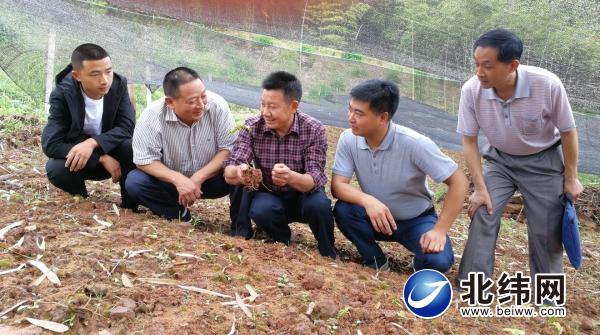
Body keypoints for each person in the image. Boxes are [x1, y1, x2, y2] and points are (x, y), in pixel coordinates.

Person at [457, 29, 583, 282]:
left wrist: (571, 177)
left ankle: (546, 295)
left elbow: (568, 133)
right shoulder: (472, 90)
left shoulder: (546, 84)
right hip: (499, 160)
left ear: (513, 65)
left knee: (546, 229)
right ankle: (473, 283)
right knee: (483, 211)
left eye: (488, 66)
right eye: (477, 64)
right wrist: (480, 188)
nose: (479, 72)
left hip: (543, 162)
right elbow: (469, 142)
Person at [331, 79, 468, 272]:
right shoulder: (348, 139)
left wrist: (439, 230)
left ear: (383, 117)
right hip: (375, 217)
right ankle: (374, 260)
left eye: (359, 113)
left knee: (438, 262)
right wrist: (368, 201)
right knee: (344, 211)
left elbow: (459, 182)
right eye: (350, 109)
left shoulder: (414, 143)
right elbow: (338, 186)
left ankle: (420, 263)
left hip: (416, 220)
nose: (350, 117)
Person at [223, 71, 336, 259]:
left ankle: (327, 250)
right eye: (263, 104)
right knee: (261, 210)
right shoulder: (252, 127)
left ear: (293, 106)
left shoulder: (314, 129)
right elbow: (230, 170)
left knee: (319, 205)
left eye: (272, 107)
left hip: (303, 195)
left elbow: (314, 178)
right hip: (271, 194)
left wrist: (290, 177)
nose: (265, 112)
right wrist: (239, 172)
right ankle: (283, 239)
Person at [126, 67, 242, 222]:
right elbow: (144, 159)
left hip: (212, 179)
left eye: (203, 96)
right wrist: (178, 179)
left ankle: (240, 228)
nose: (201, 104)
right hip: (170, 182)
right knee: (135, 182)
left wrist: (198, 178)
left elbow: (228, 149)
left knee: (242, 170)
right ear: (170, 102)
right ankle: (178, 214)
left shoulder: (217, 106)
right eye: (192, 101)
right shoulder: (152, 115)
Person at [42, 43, 137, 209]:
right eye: (95, 74)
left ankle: (130, 206)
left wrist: (92, 143)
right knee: (56, 168)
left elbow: (127, 126)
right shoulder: (63, 94)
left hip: (114, 155)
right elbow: (51, 143)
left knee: (130, 147)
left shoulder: (118, 85)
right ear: (77, 76)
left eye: (108, 71)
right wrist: (99, 157)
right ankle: (82, 201)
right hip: (83, 161)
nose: (104, 80)